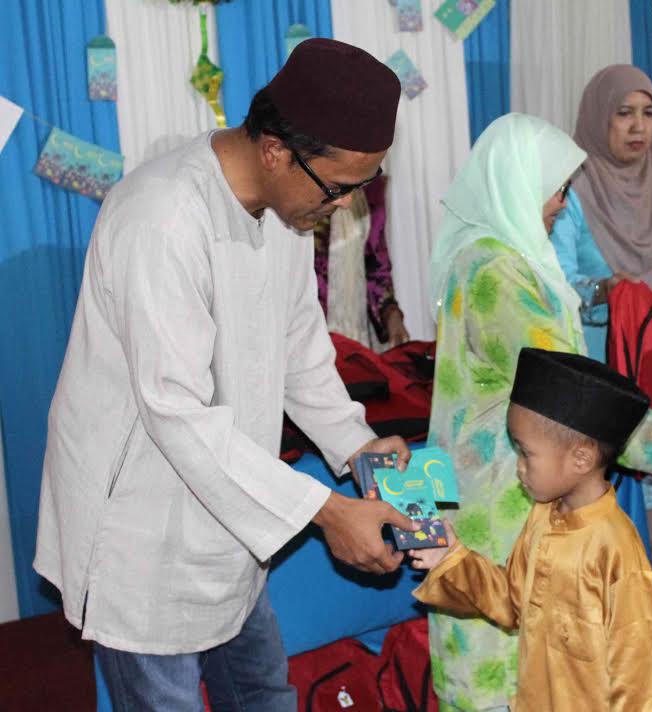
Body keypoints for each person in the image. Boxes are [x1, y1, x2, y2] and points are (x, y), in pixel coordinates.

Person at [33, 39, 421, 710]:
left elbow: (301, 348)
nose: (344, 208)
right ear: (275, 147)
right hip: (143, 534)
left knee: (263, 692)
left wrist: (355, 447)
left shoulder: (286, 214)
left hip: (232, 513)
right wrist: (329, 512)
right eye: (341, 188)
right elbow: (175, 413)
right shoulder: (160, 217)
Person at [426, 113, 652, 711]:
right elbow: (564, 390)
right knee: (511, 658)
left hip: (506, 485)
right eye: (557, 189)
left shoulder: (494, 257)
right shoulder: (498, 272)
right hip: (505, 497)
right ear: (519, 183)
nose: (561, 205)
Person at [549, 64, 652, 684]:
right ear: (598, 117)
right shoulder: (573, 185)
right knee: (599, 512)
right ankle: (603, 641)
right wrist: (603, 292)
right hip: (596, 376)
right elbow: (555, 283)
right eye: (624, 113)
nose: (639, 126)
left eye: (648, 112)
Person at [410, 348, 652, 711]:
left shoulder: (616, 549)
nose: (518, 467)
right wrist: (450, 559)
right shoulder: (543, 516)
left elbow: (638, 677)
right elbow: (512, 601)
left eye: (526, 453)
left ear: (580, 458)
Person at [313, 174, 410, 350]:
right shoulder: (308, 188)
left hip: (357, 332)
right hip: (315, 334)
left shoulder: (371, 186)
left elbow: (376, 261)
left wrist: (391, 314)